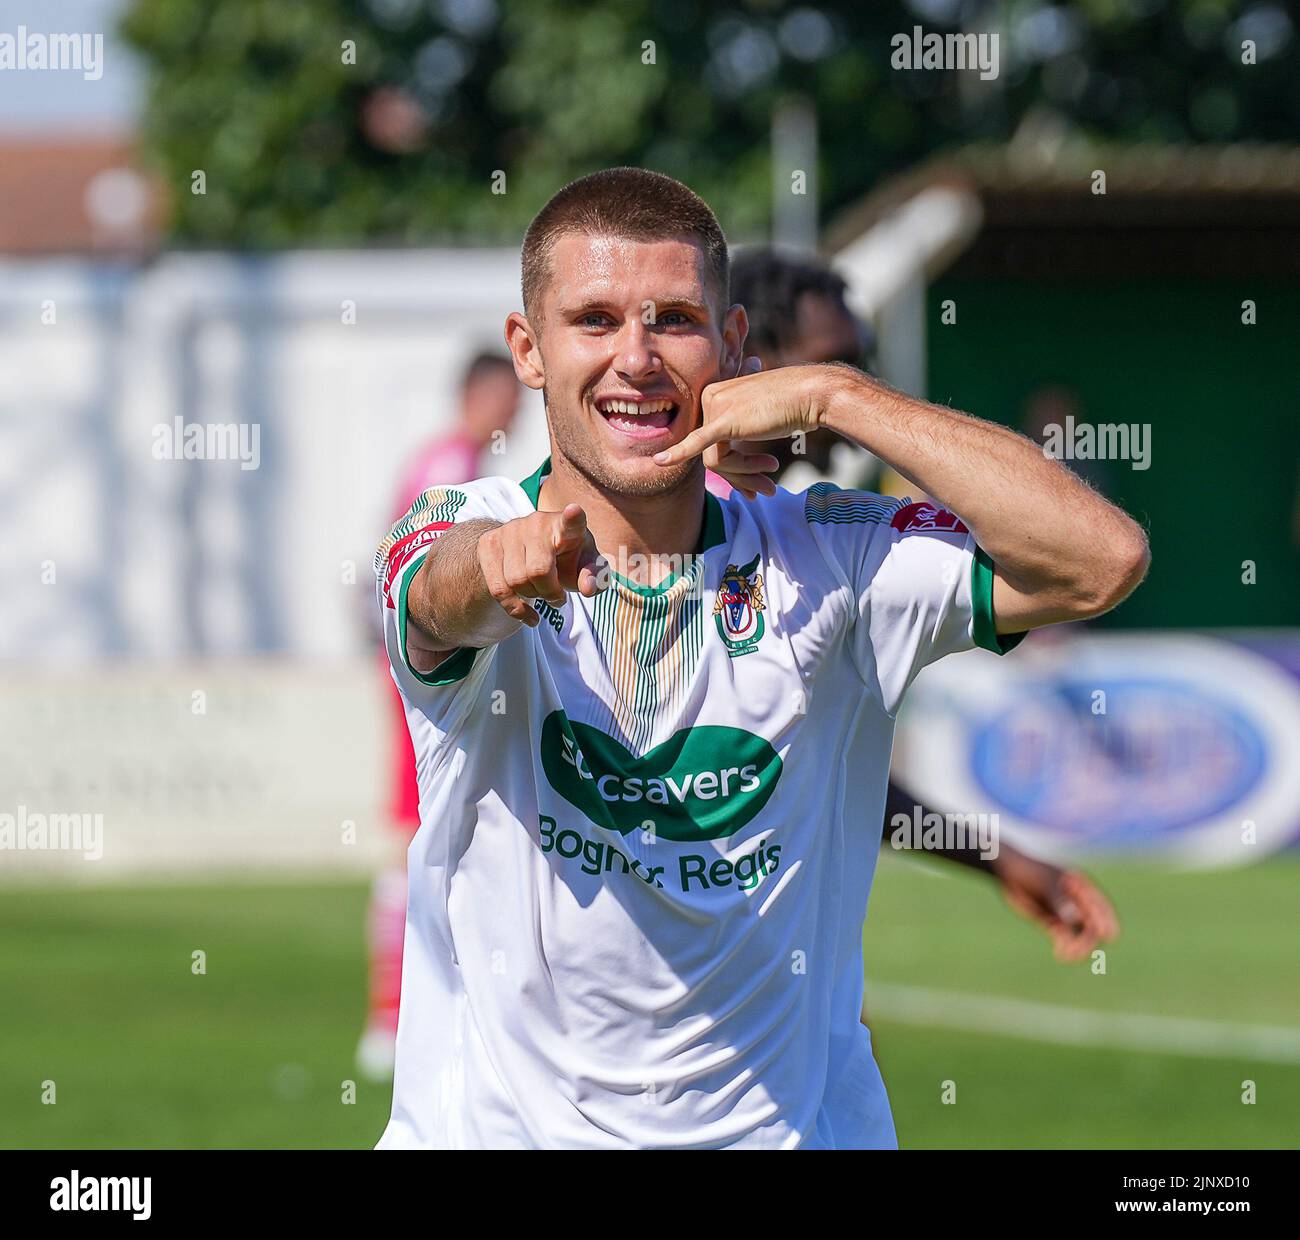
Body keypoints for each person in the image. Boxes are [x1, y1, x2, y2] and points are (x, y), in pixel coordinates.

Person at [373, 168, 1149, 1148]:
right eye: (596, 321)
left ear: (735, 345)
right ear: (526, 349)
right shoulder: (464, 522)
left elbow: (1101, 560)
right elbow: (433, 595)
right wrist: (490, 572)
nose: (635, 357)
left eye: (674, 321)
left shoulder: (832, 553)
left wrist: (838, 394)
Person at [728, 248, 1120, 964]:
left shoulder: (833, 534)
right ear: (751, 360)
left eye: (863, 366)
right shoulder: (641, 536)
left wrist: (998, 859)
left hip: (777, 993)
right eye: (836, 365)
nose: (858, 392)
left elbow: (1101, 560)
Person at [357, 351, 521, 1080]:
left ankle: (416, 1010)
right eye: (504, 394)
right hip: (433, 675)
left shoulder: (448, 460)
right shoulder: (451, 468)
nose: (513, 409)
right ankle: (390, 1015)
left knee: (435, 829)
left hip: (433, 670)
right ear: (478, 394)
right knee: (415, 835)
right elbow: (403, 576)